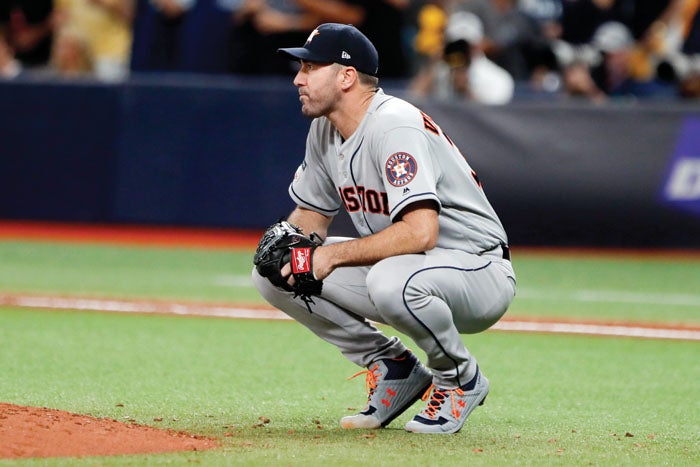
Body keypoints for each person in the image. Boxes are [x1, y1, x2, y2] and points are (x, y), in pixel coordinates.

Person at [252, 23, 516, 434]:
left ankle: (459, 377)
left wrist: (330, 255)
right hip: (414, 267)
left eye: (309, 67)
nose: (298, 78)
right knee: (280, 274)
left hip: (477, 269)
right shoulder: (326, 128)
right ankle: (392, 366)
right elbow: (311, 218)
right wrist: (291, 246)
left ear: (346, 76)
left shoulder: (393, 124)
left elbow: (421, 232)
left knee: (390, 280)